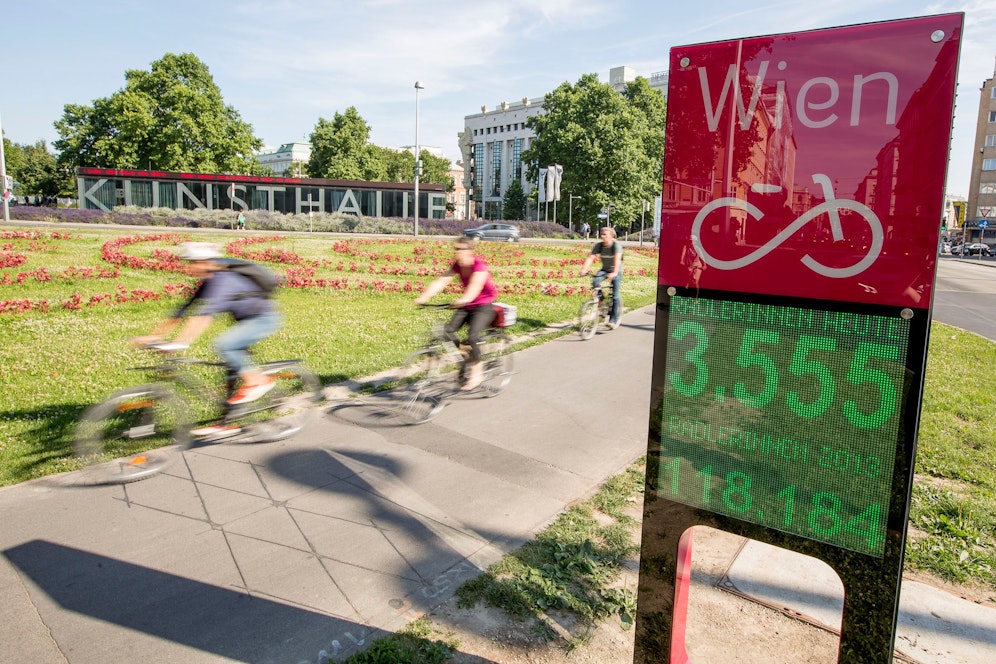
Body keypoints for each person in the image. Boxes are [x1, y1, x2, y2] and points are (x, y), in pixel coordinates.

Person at [133, 242, 282, 434]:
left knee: (224, 344)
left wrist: (180, 342)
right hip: (244, 321)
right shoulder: (208, 283)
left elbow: (203, 315)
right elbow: (182, 310)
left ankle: (260, 381)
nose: (187, 267)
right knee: (230, 371)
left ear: (204, 262)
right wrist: (153, 336)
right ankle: (228, 423)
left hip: (263, 320)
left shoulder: (223, 281)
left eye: (191, 263)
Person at [415, 237, 498, 391]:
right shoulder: (458, 265)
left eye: (460, 249)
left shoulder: (478, 266)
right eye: (455, 249)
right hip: (467, 305)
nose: (457, 252)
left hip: (484, 306)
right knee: (447, 331)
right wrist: (425, 296)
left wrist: (465, 298)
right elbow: (442, 280)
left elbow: (475, 286)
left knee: (472, 336)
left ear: (469, 251)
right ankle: (467, 355)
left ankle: (477, 372)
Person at [580, 227, 623, 329]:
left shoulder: (616, 246)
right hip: (605, 269)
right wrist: (584, 269)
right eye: (602, 234)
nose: (602, 236)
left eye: (605, 235)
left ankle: (612, 320)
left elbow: (617, 260)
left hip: (616, 271)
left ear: (611, 236)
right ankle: (601, 300)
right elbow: (591, 257)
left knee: (615, 295)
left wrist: (614, 273)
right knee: (595, 282)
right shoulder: (599, 245)